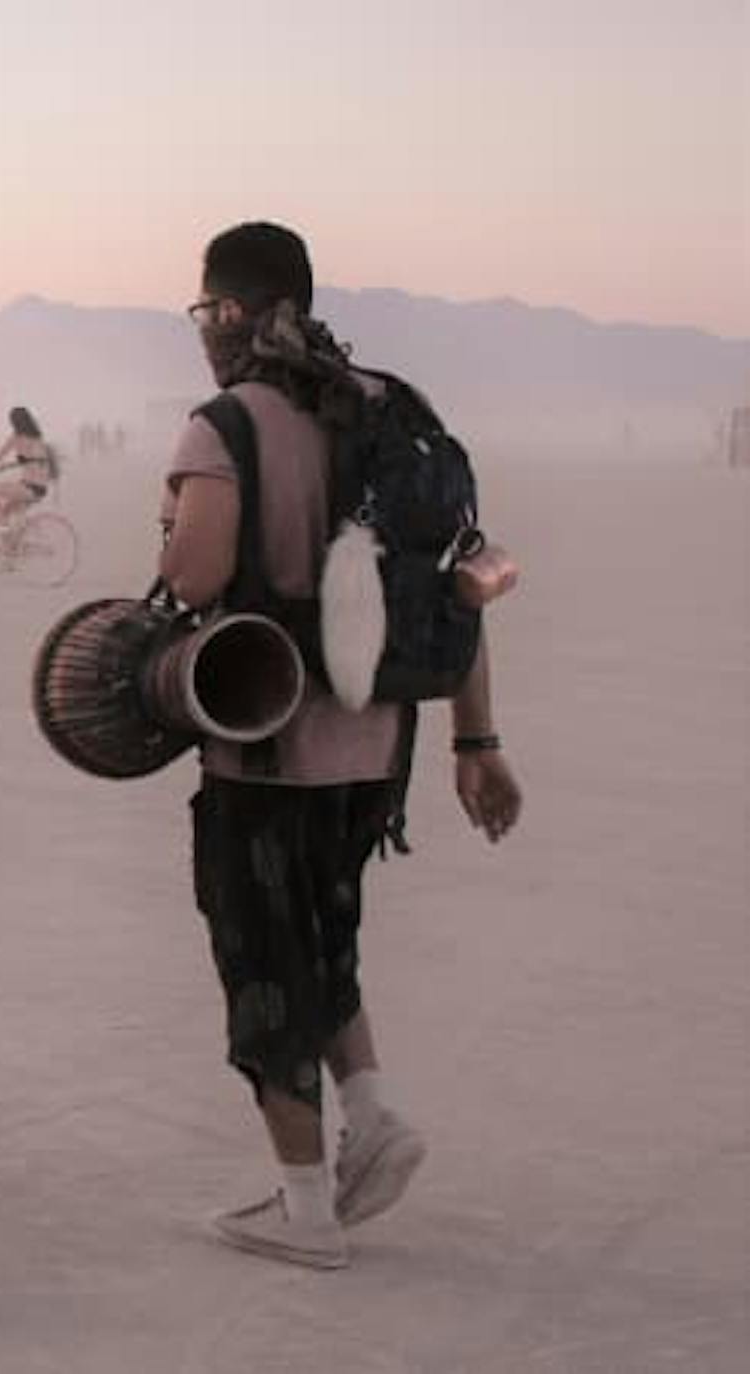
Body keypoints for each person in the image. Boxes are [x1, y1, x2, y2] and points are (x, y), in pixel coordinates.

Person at [161, 222, 523, 1270]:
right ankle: (371, 1108)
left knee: (263, 966)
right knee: (324, 933)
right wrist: (478, 738)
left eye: (202, 313)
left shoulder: (229, 423)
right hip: (378, 748)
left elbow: (191, 579)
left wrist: (173, 518)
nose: (200, 332)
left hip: (262, 745)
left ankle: (306, 1207)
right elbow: (456, 583)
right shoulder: (391, 407)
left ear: (230, 311)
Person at [0, 406, 59, 529]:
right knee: (8, 511)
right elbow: (39, 463)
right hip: (34, 487)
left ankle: (4, 527)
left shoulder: (20, 439)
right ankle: (16, 542)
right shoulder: (36, 438)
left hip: (30, 488)